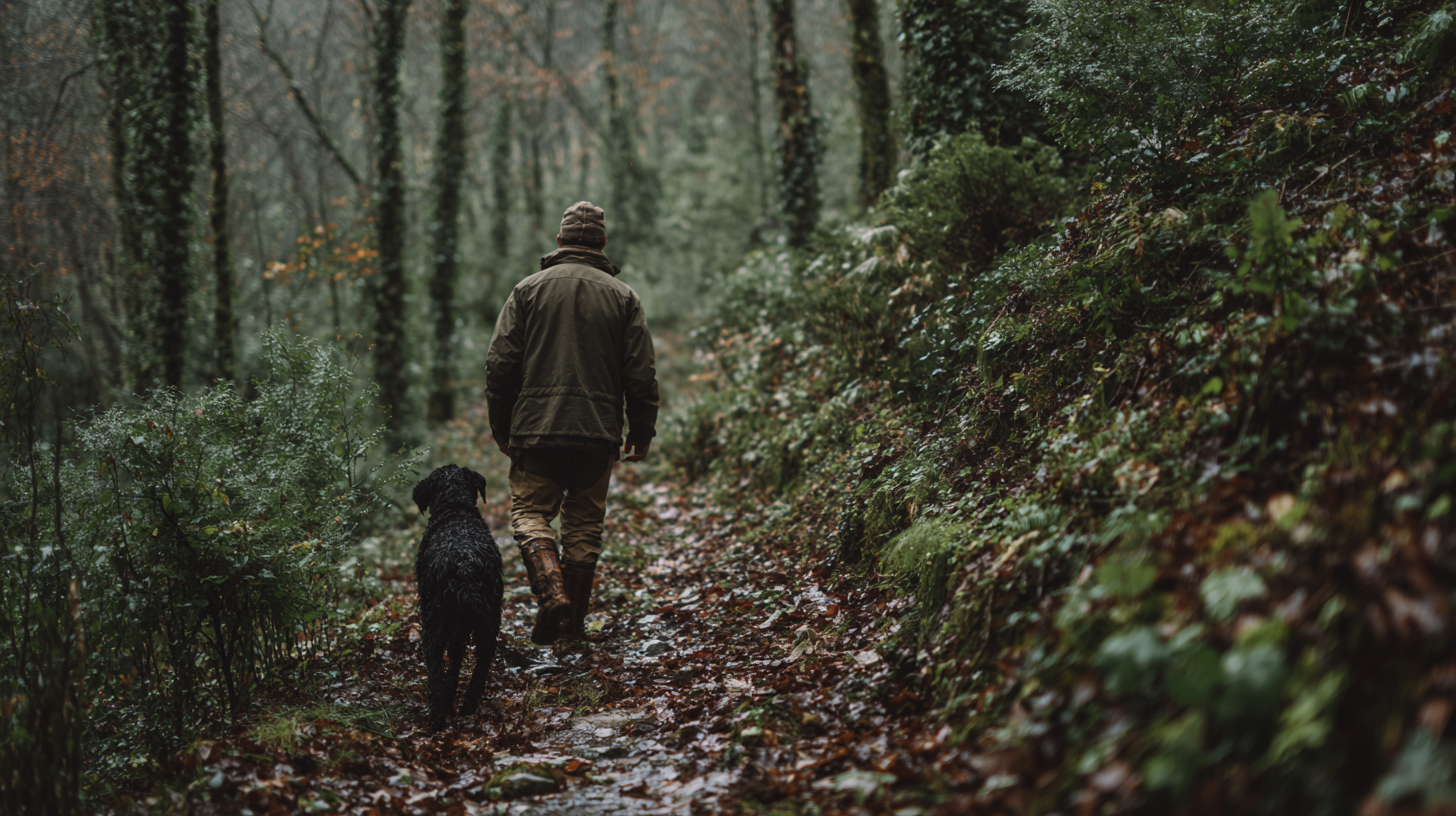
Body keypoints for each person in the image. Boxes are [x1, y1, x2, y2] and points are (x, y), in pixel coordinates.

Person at [484, 201, 659, 645]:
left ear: (560, 240)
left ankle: (552, 594)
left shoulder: (526, 290)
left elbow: (500, 364)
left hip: (536, 429)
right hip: (597, 431)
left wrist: (502, 426)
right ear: (602, 243)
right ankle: (571, 629)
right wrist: (641, 431)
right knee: (584, 526)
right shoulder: (624, 297)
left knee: (530, 513)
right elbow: (640, 373)